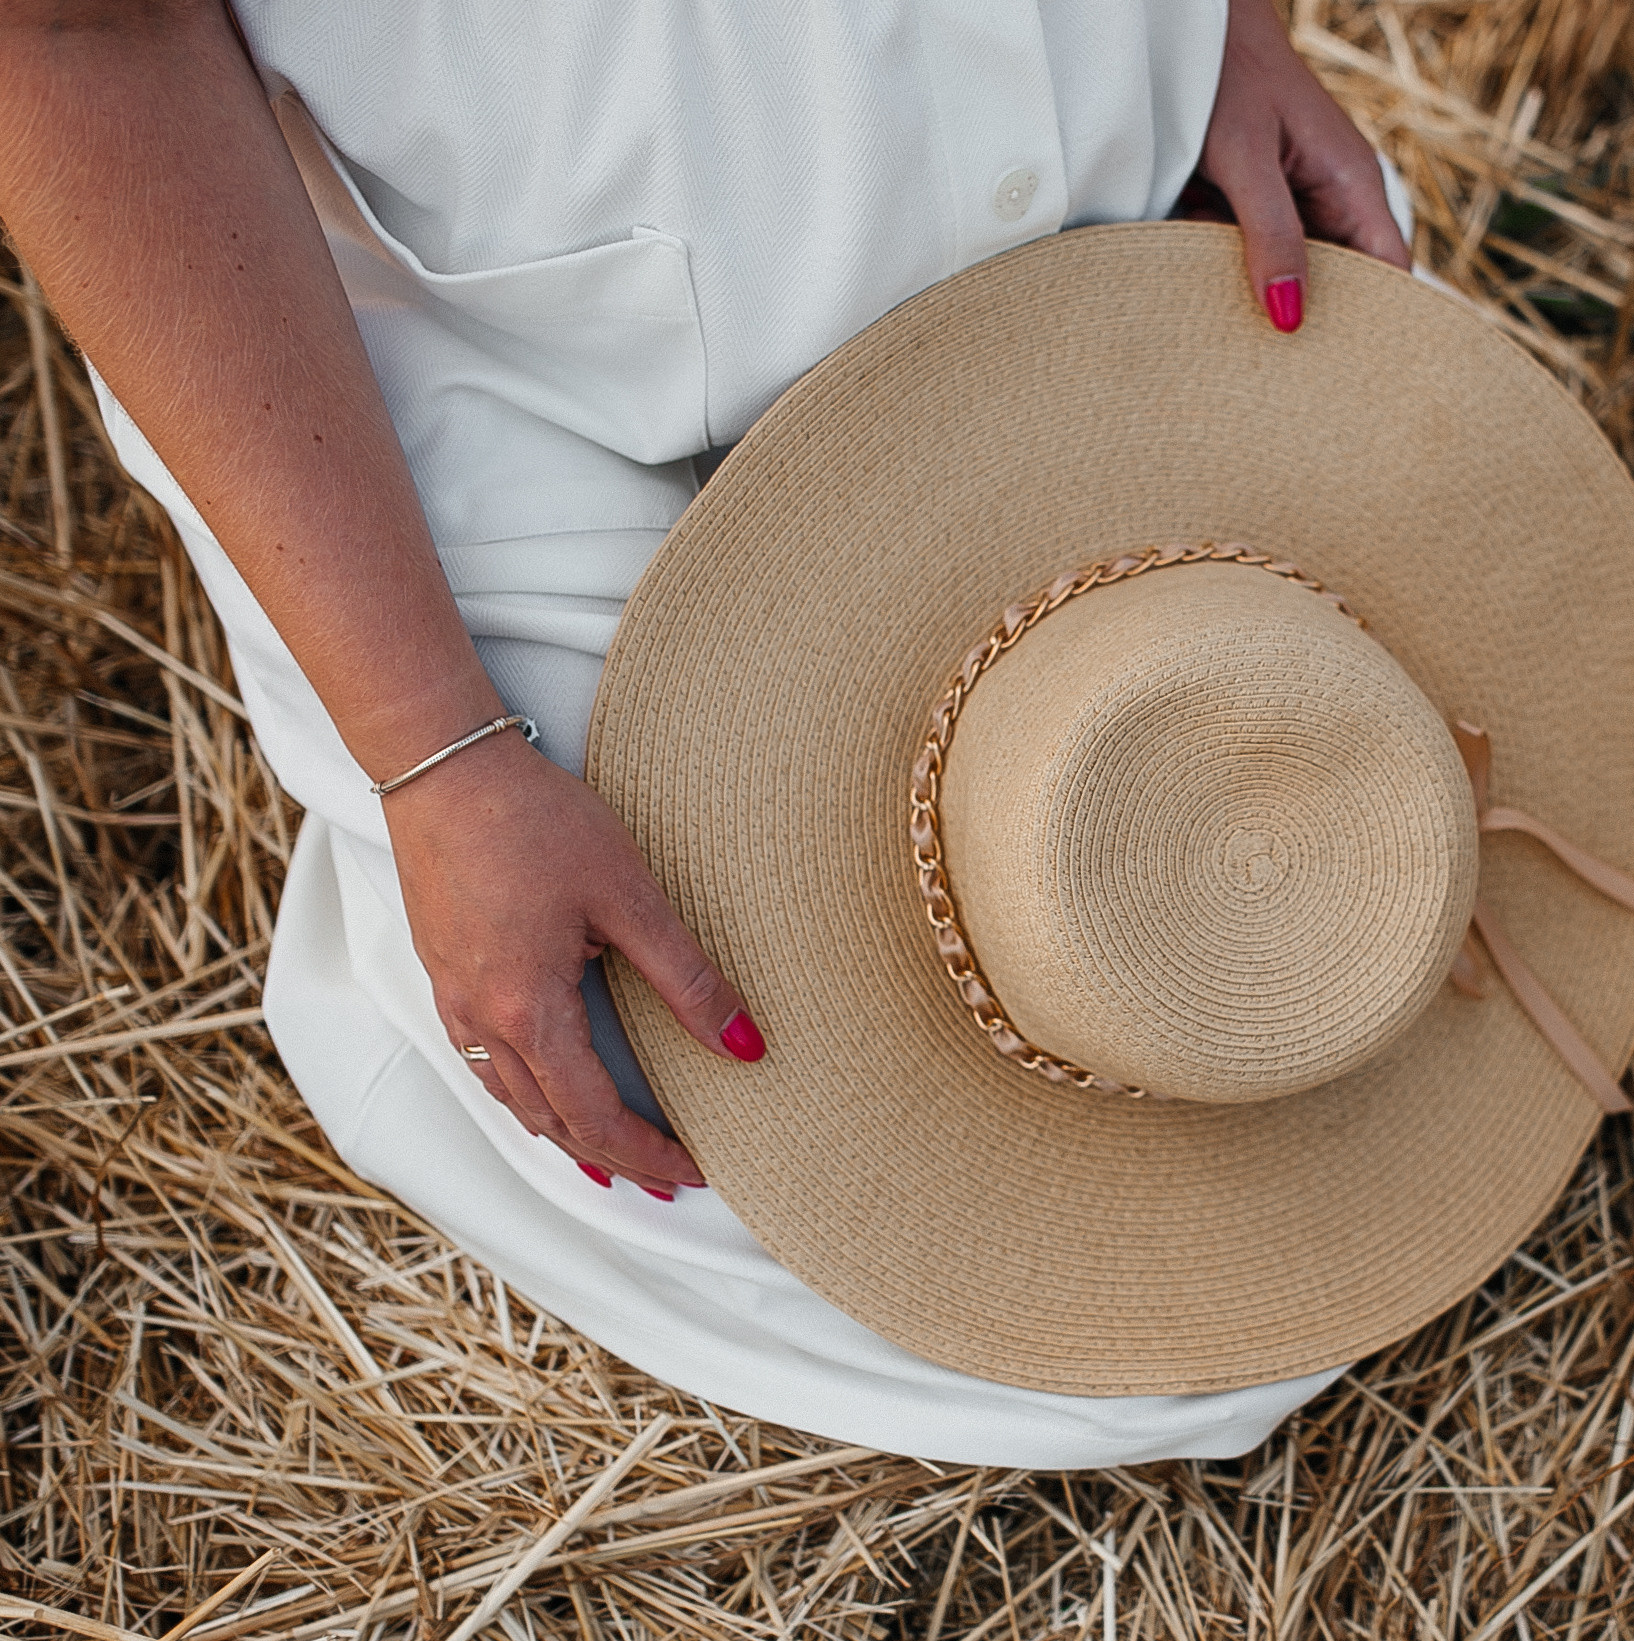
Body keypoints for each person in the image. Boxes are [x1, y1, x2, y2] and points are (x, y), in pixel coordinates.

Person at [0, 0, 1417, 1465]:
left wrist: (1208, 35)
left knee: (1322, 879)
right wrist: (440, 754)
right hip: (529, 348)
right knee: (1103, 1340)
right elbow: (77, 34)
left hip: (1089, 171)